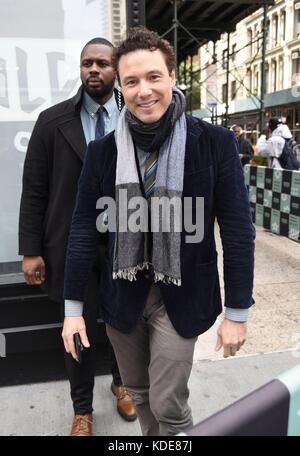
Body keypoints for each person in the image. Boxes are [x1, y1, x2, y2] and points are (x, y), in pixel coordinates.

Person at [62, 27, 255, 436]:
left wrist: (237, 313)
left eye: (153, 77)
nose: (143, 91)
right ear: (121, 87)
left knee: (168, 400)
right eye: (131, 81)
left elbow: (238, 231)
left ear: (171, 78)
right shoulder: (103, 152)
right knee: (139, 390)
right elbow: (82, 230)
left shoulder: (214, 143)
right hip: (122, 294)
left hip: (182, 294)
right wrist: (72, 310)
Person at [18, 37, 136, 436]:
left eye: (102, 63)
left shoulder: (134, 118)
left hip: (126, 242)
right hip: (72, 245)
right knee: (77, 328)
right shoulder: (52, 121)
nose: (94, 70)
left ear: (115, 69)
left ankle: (123, 384)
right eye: (87, 63)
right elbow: (34, 188)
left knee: (125, 323)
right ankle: (82, 409)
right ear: (80, 67)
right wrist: (31, 250)